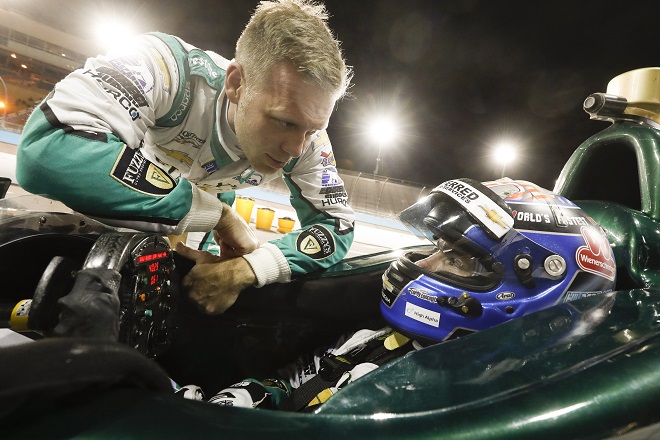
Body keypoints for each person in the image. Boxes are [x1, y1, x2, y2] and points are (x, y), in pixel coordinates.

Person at [16, 0, 355, 314]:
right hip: (91, 211)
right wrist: (220, 217)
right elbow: (48, 148)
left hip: (191, 209)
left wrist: (249, 268)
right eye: (284, 122)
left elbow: (337, 225)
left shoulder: (309, 138)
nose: (297, 149)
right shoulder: (163, 66)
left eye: (312, 129)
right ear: (236, 83)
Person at [181, 178, 617, 410]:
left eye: (457, 259)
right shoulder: (382, 338)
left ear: (533, 294)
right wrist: (245, 399)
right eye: (438, 248)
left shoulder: (462, 407)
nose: (424, 266)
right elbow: (296, 386)